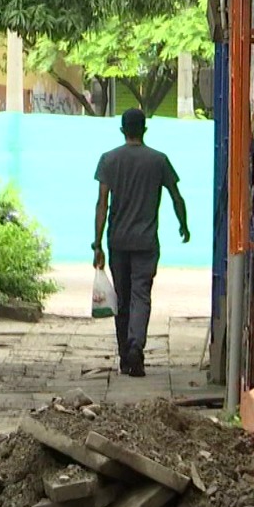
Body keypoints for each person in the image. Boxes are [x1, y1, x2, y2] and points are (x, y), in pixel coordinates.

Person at [92, 108, 191, 378]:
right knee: (141, 296)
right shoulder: (158, 160)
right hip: (146, 242)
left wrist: (97, 243)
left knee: (121, 298)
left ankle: (126, 354)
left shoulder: (109, 160)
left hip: (118, 241)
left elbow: (102, 203)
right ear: (144, 129)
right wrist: (183, 223)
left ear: (123, 130)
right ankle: (136, 346)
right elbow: (176, 196)